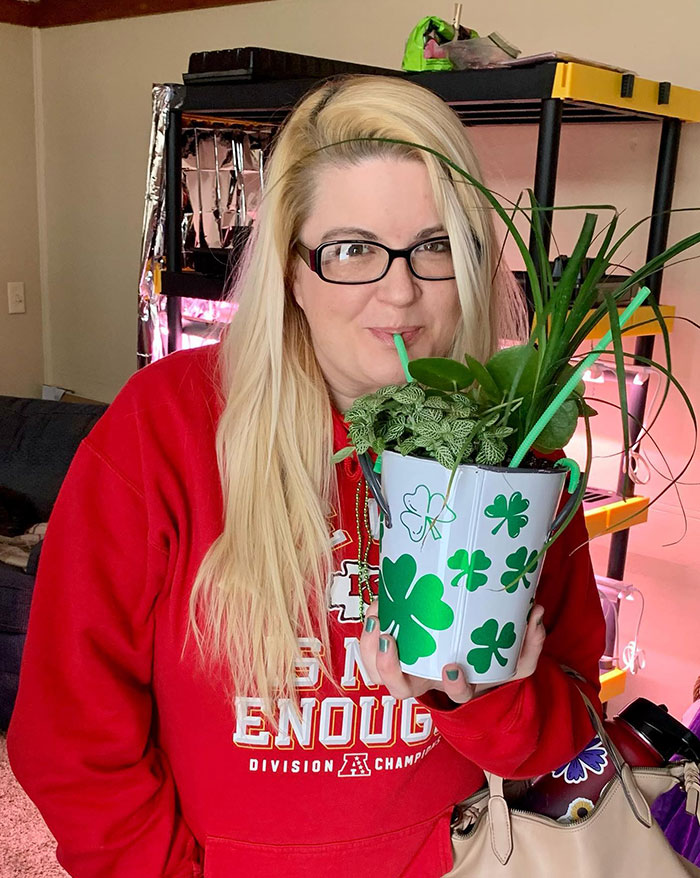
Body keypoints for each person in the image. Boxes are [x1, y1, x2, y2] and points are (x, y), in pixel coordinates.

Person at [7, 74, 606, 878]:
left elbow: (568, 731)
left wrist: (486, 701)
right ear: (291, 270)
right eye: (352, 250)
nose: (400, 293)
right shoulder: (170, 425)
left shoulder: (516, 454)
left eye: (433, 246)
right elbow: (70, 734)